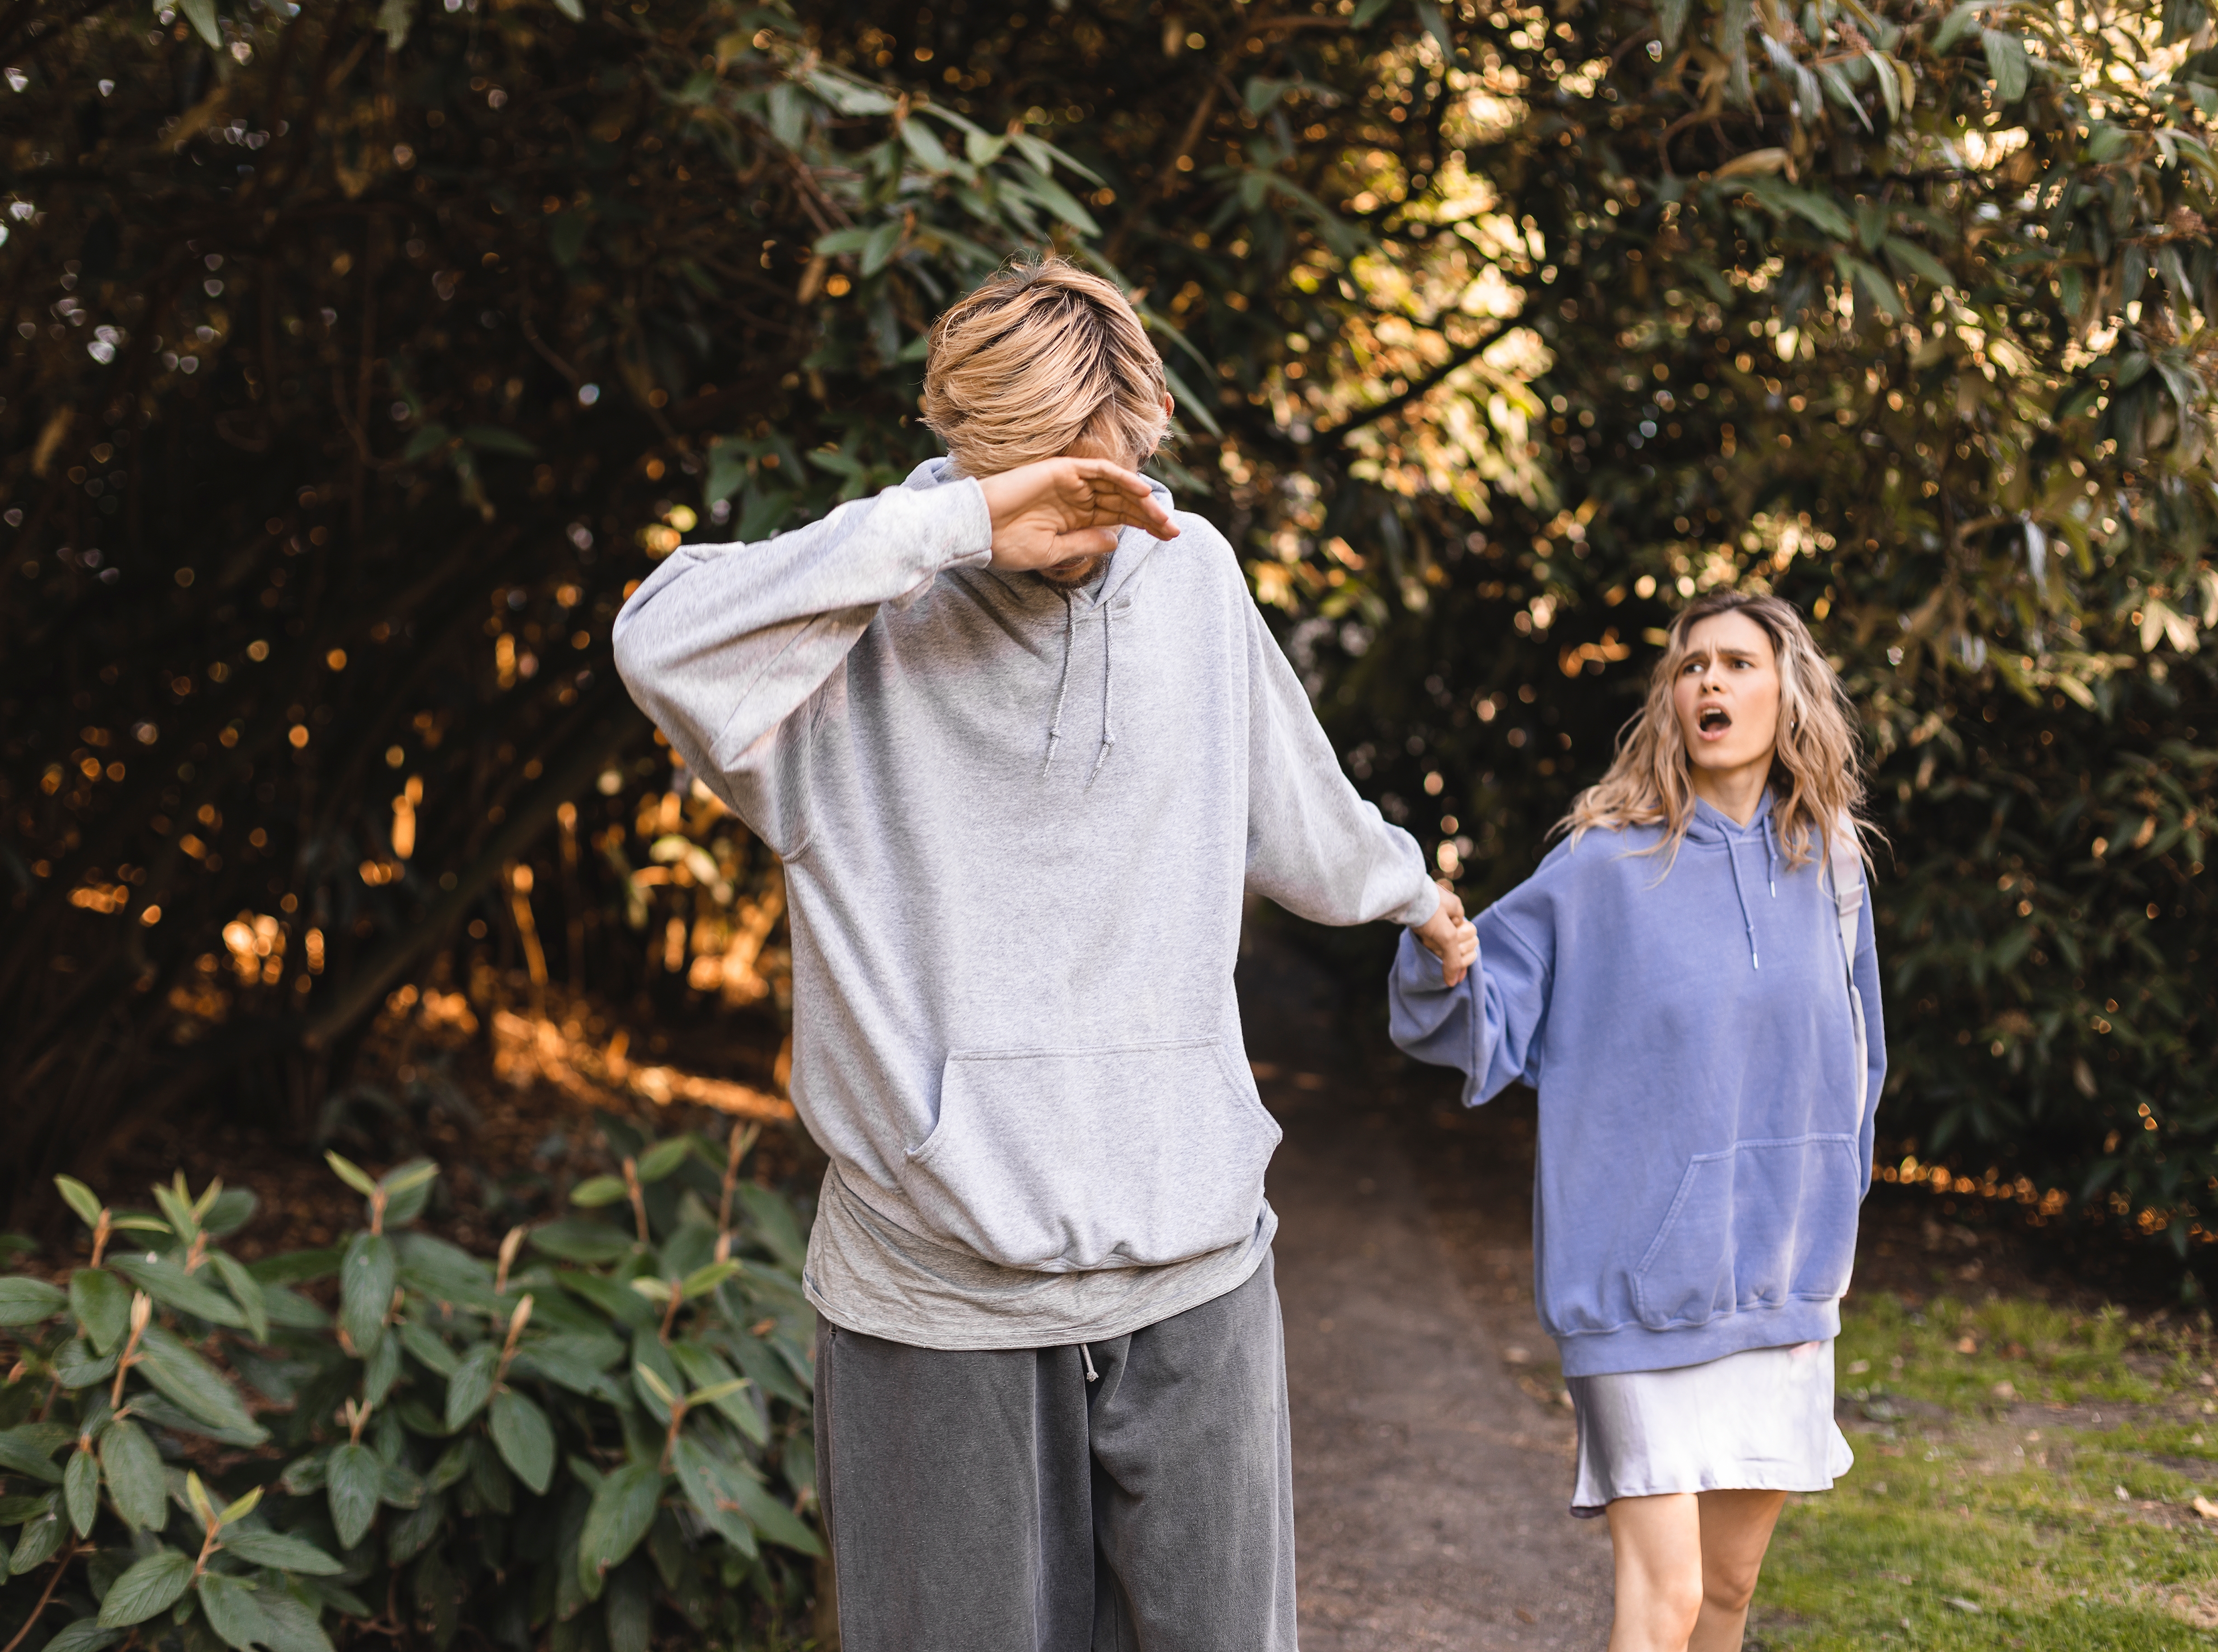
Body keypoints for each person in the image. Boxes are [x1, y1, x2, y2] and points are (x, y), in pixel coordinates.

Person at [613, 255, 1477, 1652]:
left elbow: (1293, 794)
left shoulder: (1190, 579)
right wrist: (953, 528)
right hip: (933, 1284)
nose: (1091, 506)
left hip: (1194, 1264)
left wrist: (1406, 892)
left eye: (1111, 463)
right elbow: (660, 643)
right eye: (1042, 473)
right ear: (966, 448)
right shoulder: (852, 618)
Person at [1387, 590, 1885, 1652]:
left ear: (1785, 691)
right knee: (1658, 1603)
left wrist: (1831, 1213)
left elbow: (1858, 1058)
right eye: (1690, 665)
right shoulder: (1603, 865)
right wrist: (1439, 950)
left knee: (1727, 1595)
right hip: (1634, 1291)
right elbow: (1486, 1012)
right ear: (1671, 701)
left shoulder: (1833, 866)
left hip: (1779, 1290)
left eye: (1736, 663)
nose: (1708, 680)